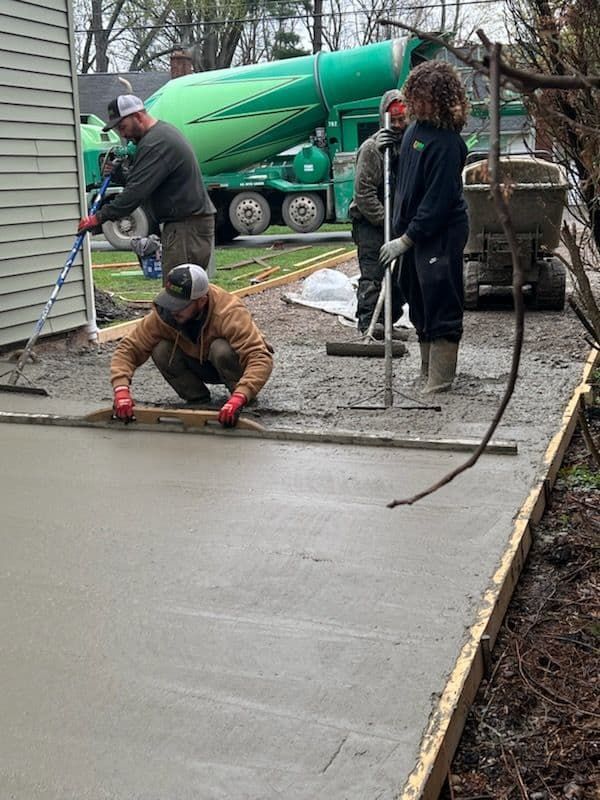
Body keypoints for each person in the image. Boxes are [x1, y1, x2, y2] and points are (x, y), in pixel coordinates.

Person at [379, 62, 469, 392]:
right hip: (413, 233)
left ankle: (441, 376)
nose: (413, 104)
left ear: (439, 99)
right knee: (418, 299)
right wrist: (391, 150)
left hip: (439, 235)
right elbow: (407, 180)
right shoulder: (415, 133)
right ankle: (426, 367)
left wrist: (407, 239)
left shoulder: (448, 144)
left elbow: (436, 202)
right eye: (413, 97)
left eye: (421, 99)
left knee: (439, 296)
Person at [110, 264, 274, 428]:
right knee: (160, 349)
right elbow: (129, 348)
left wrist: (241, 395)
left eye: (180, 305)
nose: (173, 310)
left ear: (201, 301)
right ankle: (198, 400)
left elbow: (260, 358)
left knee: (221, 349)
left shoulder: (229, 312)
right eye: (171, 302)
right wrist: (121, 389)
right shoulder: (164, 315)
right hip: (197, 362)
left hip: (229, 364)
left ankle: (240, 400)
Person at [77, 95, 216, 285]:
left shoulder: (156, 143)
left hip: (186, 228)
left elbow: (135, 193)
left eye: (122, 127)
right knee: (187, 294)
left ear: (138, 116)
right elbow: (146, 181)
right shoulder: (160, 135)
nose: (122, 134)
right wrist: (119, 176)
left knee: (179, 293)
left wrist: (98, 218)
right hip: (187, 224)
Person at [349, 89, 409, 339]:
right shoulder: (372, 149)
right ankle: (367, 326)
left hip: (397, 222)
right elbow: (363, 193)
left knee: (400, 279)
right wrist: (386, 221)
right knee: (373, 274)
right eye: (392, 120)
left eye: (401, 120)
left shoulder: (408, 146)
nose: (396, 125)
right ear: (382, 118)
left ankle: (387, 322)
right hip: (371, 223)